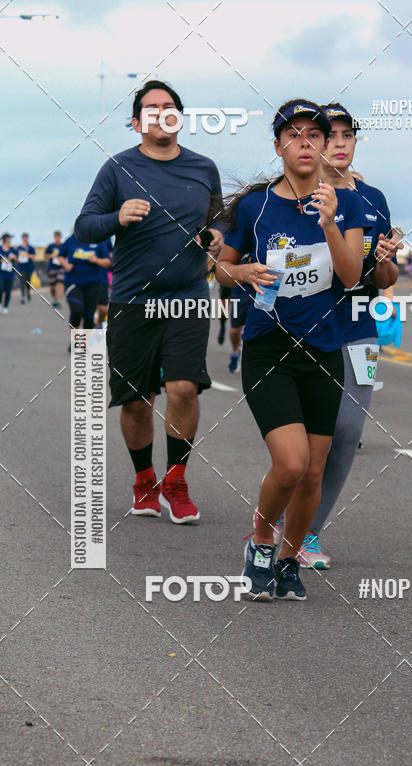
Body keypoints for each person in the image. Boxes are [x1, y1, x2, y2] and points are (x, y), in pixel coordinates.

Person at [216, 98, 365, 600]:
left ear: (325, 146)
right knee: (290, 463)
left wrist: (328, 224)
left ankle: (288, 559)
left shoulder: (346, 203)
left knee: (315, 470)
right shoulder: (257, 207)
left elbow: (350, 276)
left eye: (315, 135)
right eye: (294, 135)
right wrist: (239, 272)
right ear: (278, 144)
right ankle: (260, 542)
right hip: (268, 347)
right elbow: (222, 266)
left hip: (323, 350)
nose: (305, 143)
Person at [75, 79, 225, 525]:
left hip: (188, 297)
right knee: (137, 401)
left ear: (179, 116)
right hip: (132, 301)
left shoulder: (204, 168)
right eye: (151, 108)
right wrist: (116, 217)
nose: (161, 113)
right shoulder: (117, 169)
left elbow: (221, 224)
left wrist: (218, 237)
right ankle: (145, 481)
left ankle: (176, 481)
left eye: (169, 106)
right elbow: (85, 227)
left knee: (182, 388)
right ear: (137, 122)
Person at [298, 102, 400, 568]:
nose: (338, 144)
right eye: (330, 136)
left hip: (360, 328)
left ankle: (309, 532)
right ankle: (281, 517)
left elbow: (382, 277)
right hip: (305, 328)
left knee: (347, 431)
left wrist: (384, 260)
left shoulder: (373, 198)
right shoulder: (297, 192)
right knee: (301, 441)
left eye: (347, 136)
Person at [58, 233, 111, 341]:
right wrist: (65, 265)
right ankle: (76, 340)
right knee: (77, 310)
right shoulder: (72, 239)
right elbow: (60, 255)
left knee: (89, 316)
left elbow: (108, 262)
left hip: (93, 283)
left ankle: (84, 343)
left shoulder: (98, 240)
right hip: (73, 282)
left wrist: (96, 260)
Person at [45, 230, 66, 308]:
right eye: (56, 236)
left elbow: (67, 255)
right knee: (52, 287)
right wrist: (52, 255)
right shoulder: (51, 246)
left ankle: (59, 301)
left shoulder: (64, 246)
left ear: (60, 237)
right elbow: (45, 256)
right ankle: (54, 298)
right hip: (52, 268)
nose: (57, 237)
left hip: (61, 267)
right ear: (54, 237)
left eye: (58, 236)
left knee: (60, 284)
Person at [0, 233, 17, 314]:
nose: (10, 239)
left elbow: (17, 261)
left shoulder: (13, 249)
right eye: (9, 238)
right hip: (1, 273)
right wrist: (7, 258)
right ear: (5, 239)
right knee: (1, 288)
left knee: (8, 290)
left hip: (10, 273)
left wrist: (15, 258)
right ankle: (0, 304)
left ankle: (5, 306)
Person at [16, 233, 36, 303]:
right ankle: (22, 297)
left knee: (28, 282)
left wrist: (27, 254)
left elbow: (33, 257)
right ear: (22, 238)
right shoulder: (18, 248)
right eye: (24, 237)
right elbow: (16, 258)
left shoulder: (30, 247)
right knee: (22, 281)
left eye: (26, 237)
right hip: (21, 267)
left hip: (29, 267)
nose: (25, 239)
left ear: (27, 238)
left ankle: (28, 293)